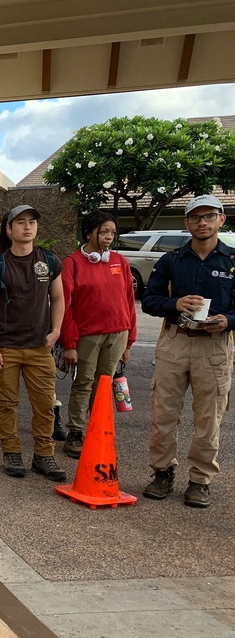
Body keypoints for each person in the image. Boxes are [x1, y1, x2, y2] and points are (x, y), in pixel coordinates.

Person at [141, 195, 234, 508]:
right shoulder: (172, 260)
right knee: (163, 412)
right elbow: (150, 300)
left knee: (209, 417)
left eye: (209, 216)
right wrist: (174, 304)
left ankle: (200, 480)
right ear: (187, 223)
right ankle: (162, 472)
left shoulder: (232, 261)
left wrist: (228, 320)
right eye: (195, 217)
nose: (202, 223)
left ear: (222, 219)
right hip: (175, 341)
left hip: (216, 346)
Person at [0, 205, 67, 481]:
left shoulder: (50, 261)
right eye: (20, 222)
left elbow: (59, 298)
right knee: (7, 404)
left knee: (45, 404)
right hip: (6, 348)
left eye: (32, 222)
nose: (27, 227)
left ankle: (44, 454)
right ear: (9, 229)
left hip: (40, 348)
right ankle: (11, 451)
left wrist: (55, 332)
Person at [59, 211, 137, 458]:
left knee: (104, 386)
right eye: (104, 232)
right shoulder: (72, 263)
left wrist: (129, 341)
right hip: (87, 335)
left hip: (118, 333)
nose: (108, 237)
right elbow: (65, 306)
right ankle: (76, 433)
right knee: (83, 383)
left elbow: (129, 301)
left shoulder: (120, 262)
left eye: (112, 233)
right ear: (89, 233)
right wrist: (69, 342)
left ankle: (98, 430)